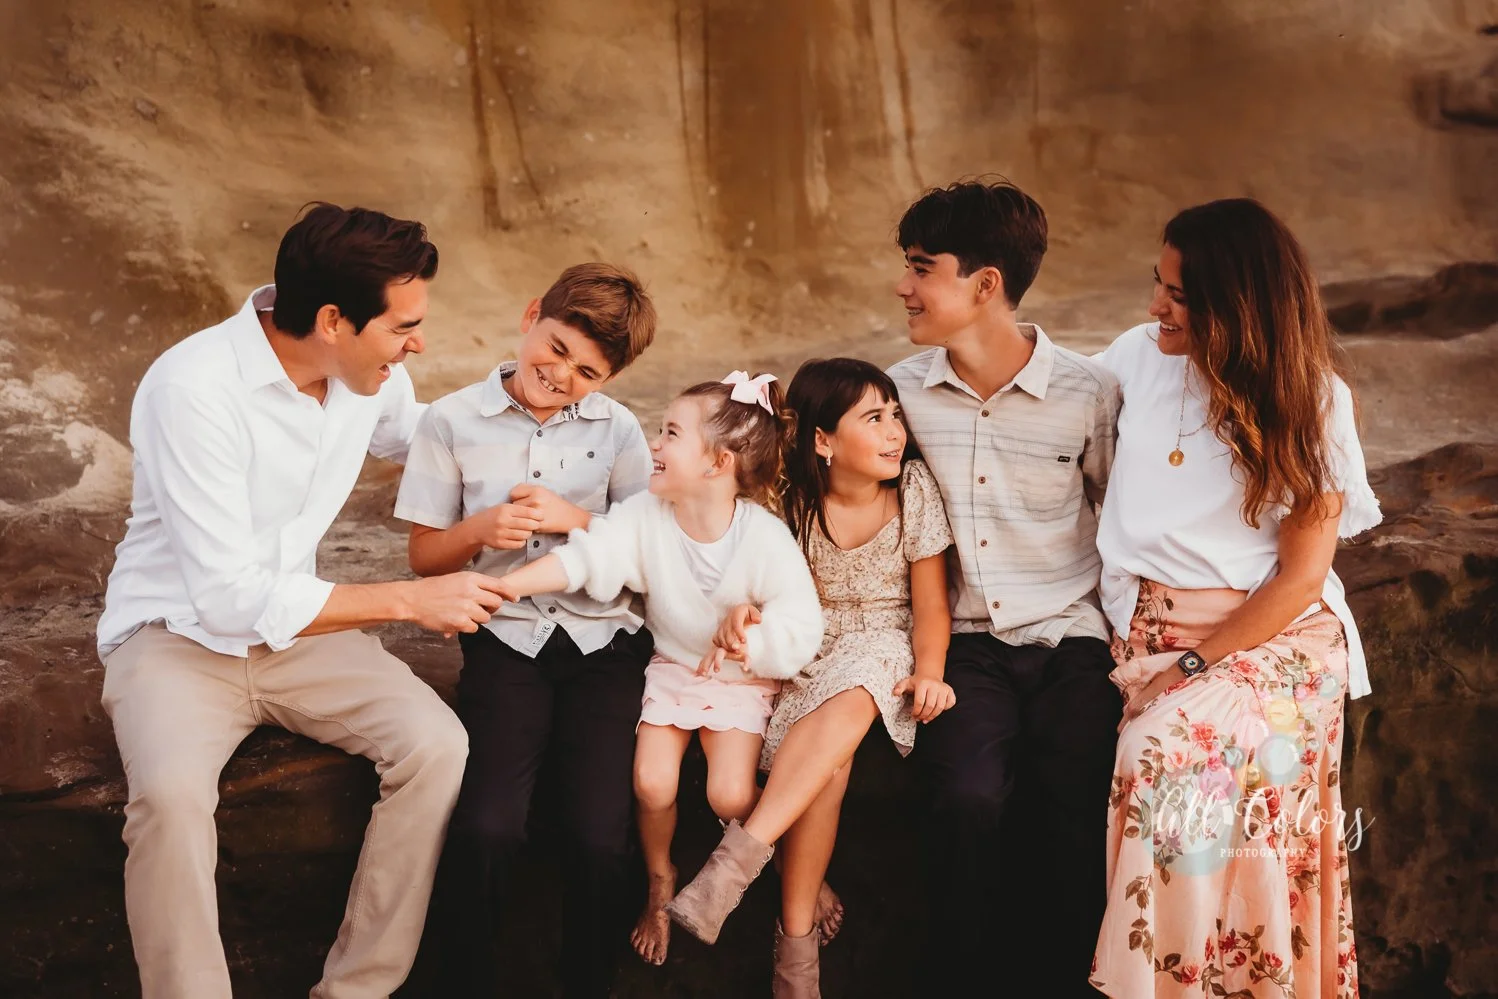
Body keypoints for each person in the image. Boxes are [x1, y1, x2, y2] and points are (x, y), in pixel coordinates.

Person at [96, 203, 509, 999]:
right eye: (404, 326)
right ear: (332, 320)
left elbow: (428, 439)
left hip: (304, 633)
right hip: (176, 638)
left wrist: (555, 446)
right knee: (172, 801)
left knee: (436, 745)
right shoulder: (192, 388)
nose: (417, 343)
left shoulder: (367, 372)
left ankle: (354, 991)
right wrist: (411, 600)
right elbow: (224, 597)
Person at [1089, 198, 1379, 998]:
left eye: (1178, 295)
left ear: (1237, 307)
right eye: (1158, 285)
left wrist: (1185, 665)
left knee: (1165, 760)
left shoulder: (1316, 401)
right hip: (1155, 620)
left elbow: (1299, 578)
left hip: (1276, 638)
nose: (1156, 307)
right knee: (1171, 765)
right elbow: (1038, 394)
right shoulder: (1136, 359)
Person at [490, 371, 824, 977]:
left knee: (731, 795)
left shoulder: (765, 538)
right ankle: (659, 883)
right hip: (673, 669)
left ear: (718, 463)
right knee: (651, 784)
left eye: (670, 433)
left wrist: (751, 639)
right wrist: (503, 586)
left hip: (738, 682)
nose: (655, 444)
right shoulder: (646, 514)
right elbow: (589, 557)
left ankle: (797, 868)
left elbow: (802, 632)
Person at [884, 179, 1124, 996]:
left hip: (1073, 636)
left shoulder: (1088, 393)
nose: (903, 286)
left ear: (986, 284)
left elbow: (1117, 514)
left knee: (1075, 799)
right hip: (966, 645)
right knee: (965, 799)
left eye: (923, 268)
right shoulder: (901, 396)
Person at [394, 264, 659, 998]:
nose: (563, 375)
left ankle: (588, 982)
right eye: (557, 347)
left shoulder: (621, 430)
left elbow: (652, 548)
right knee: (488, 825)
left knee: (600, 834)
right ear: (531, 315)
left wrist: (576, 520)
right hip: (506, 638)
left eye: (588, 371)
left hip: (606, 643)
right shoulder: (449, 421)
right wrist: (481, 528)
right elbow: (423, 555)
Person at [665, 357, 955, 998]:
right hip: (805, 648)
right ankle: (795, 954)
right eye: (873, 418)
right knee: (829, 764)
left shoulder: (913, 491)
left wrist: (931, 672)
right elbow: (760, 587)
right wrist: (745, 606)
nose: (894, 432)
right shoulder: (793, 502)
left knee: (855, 692)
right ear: (822, 441)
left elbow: (931, 604)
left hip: (884, 647)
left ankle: (734, 868)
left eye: (896, 416)